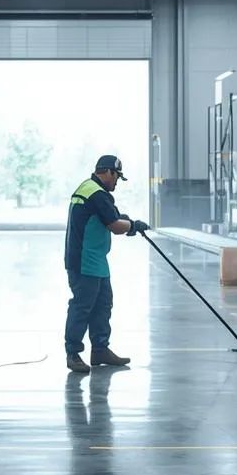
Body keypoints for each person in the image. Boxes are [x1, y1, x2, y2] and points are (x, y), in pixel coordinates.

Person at [63, 154, 149, 374]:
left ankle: (100, 350)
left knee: (103, 304)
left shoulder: (88, 188)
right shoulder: (98, 194)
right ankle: (73, 353)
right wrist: (132, 226)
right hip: (85, 261)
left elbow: (109, 216)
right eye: (117, 177)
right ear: (108, 172)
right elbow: (113, 224)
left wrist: (126, 220)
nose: (117, 182)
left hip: (95, 260)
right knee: (82, 307)